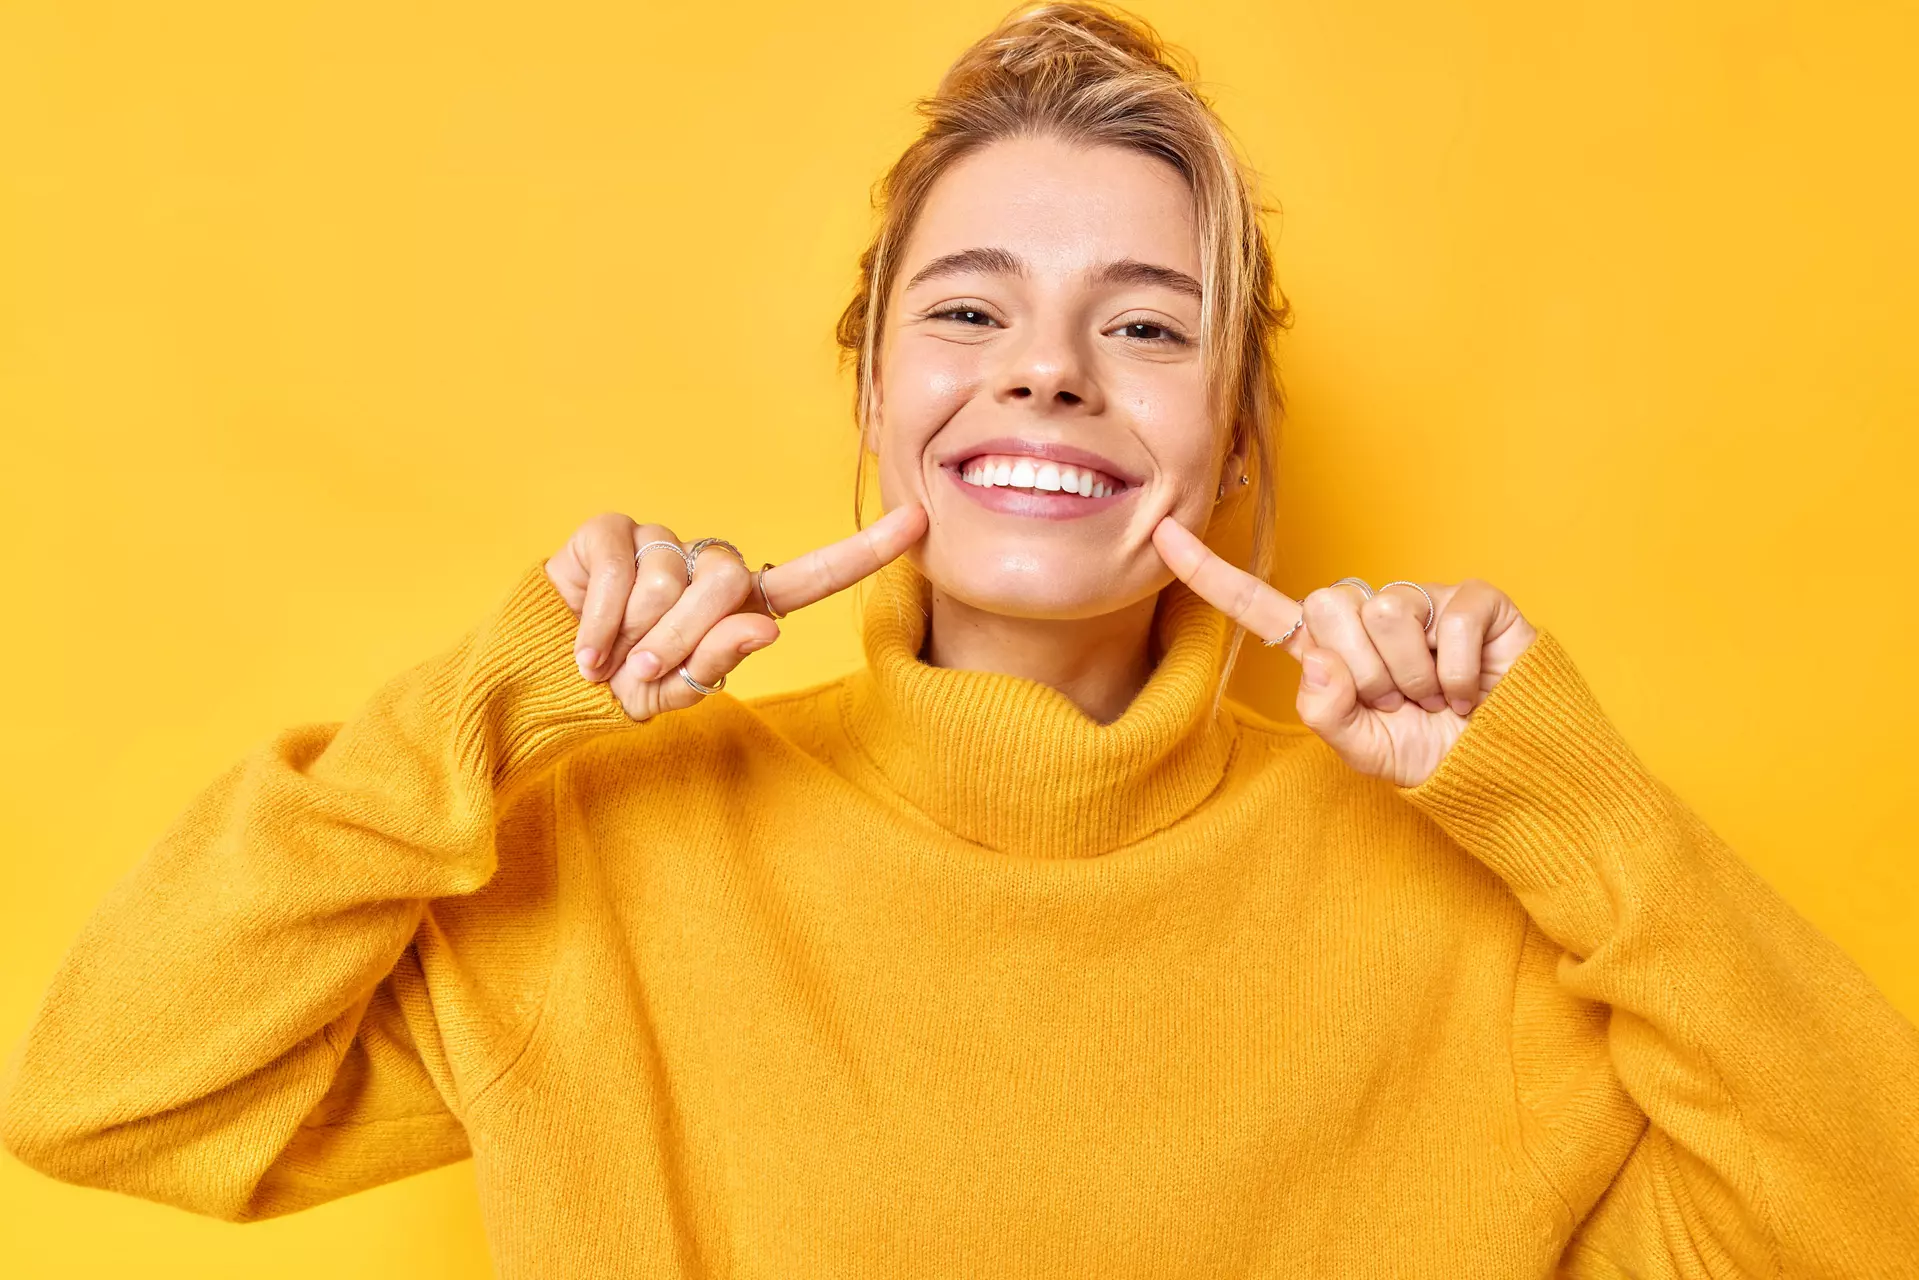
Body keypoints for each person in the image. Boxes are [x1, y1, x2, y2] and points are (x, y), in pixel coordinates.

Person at [3, 3, 1915, 1275]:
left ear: (1231, 433)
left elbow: (1865, 1212)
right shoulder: (609, 866)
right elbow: (101, 1095)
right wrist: (493, 712)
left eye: (1150, 326)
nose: (1050, 376)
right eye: (971, 312)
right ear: (874, 381)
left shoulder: (1479, 915)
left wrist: (1558, 801)